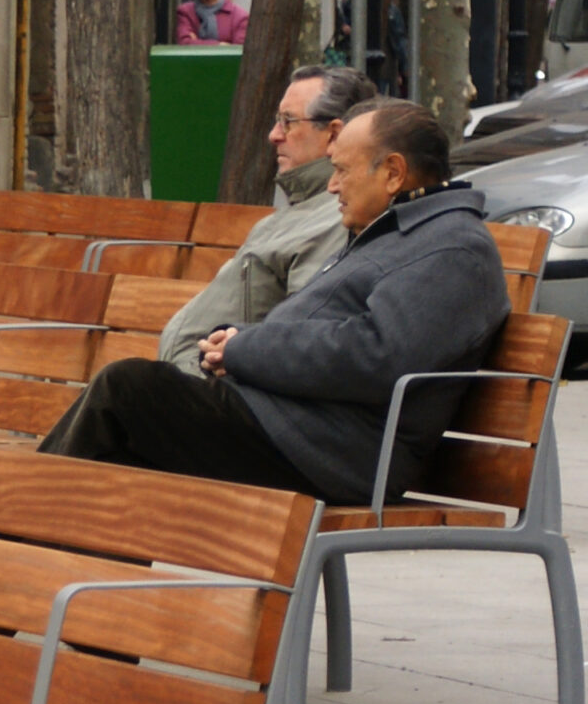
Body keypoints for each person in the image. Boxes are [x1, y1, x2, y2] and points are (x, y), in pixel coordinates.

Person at [37, 98, 511, 507]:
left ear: (392, 173)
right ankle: (37, 571)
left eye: (341, 170)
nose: (331, 186)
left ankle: (0, 540)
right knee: (123, 454)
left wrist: (247, 349)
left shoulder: (452, 249)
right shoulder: (399, 231)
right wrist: (242, 344)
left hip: (332, 454)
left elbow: (375, 354)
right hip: (292, 429)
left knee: (130, 390)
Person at [160, 65, 377, 376]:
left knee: (116, 388)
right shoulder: (299, 214)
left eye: (288, 122)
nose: (274, 135)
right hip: (196, 383)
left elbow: (302, 335)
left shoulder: (337, 217)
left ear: (334, 134)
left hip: (227, 393)